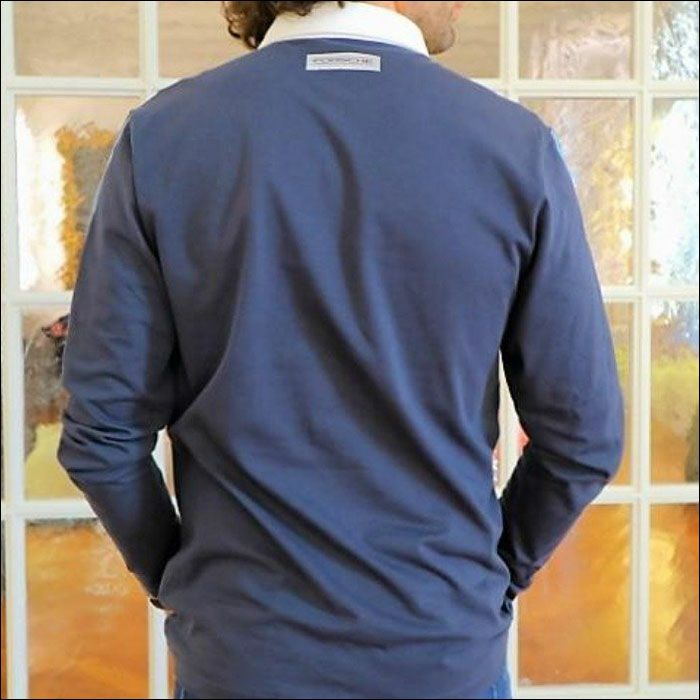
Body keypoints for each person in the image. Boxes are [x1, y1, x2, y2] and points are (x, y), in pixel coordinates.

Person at [56, 2, 625, 698]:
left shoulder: (163, 139)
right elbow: (584, 437)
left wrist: (186, 583)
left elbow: (101, 437)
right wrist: (492, 575)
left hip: (242, 654)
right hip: (440, 648)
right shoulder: (515, 147)